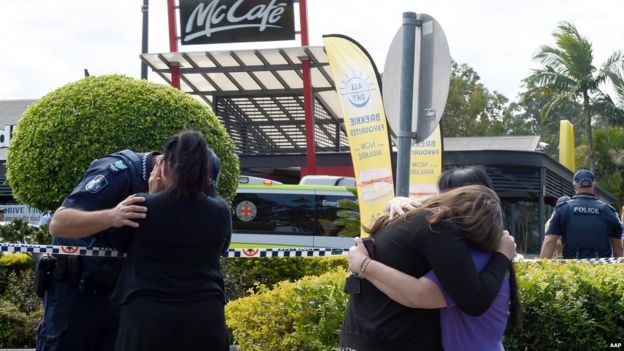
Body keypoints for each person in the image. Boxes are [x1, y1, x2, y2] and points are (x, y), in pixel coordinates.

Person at [344, 166, 520, 351]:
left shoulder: (471, 254)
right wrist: (396, 202)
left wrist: (363, 264)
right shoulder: (483, 251)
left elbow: (420, 294)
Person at [111, 130, 231, 351]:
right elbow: (222, 248)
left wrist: (150, 195)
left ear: (164, 168)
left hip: (148, 313)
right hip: (205, 314)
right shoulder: (220, 210)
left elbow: (120, 243)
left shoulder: (142, 206)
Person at [37, 149, 162, 351]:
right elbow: (59, 222)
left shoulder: (164, 190)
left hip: (119, 295)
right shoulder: (116, 171)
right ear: (163, 169)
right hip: (76, 291)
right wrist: (112, 216)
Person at [540, 169, 623, 259]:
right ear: (594, 186)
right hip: (601, 270)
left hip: (572, 270)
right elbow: (618, 249)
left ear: (575, 187)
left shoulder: (562, 209)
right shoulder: (608, 211)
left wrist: (542, 270)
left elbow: (549, 242)